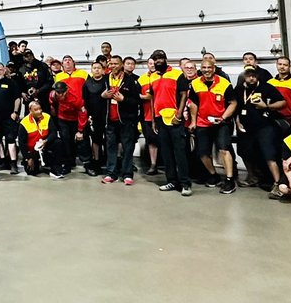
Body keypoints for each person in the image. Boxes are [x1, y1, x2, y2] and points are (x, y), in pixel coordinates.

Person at [233, 66, 287, 195]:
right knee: (244, 151)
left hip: (265, 126)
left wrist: (267, 106)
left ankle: (277, 183)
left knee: (269, 155)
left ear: (257, 76)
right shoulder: (239, 89)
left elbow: (282, 102)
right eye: (249, 76)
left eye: (254, 76)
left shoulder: (266, 87)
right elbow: (235, 108)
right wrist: (237, 123)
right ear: (244, 76)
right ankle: (253, 177)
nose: (251, 78)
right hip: (246, 127)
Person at [186, 59, 237, 193]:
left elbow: (233, 103)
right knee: (202, 153)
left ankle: (230, 180)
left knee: (224, 149)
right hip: (203, 123)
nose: (206, 70)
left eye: (209, 67)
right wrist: (193, 121)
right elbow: (193, 103)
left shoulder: (224, 83)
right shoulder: (195, 83)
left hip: (222, 123)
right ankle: (213, 175)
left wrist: (223, 117)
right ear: (200, 69)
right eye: (204, 67)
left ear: (214, 69)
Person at [149, 50, 191, 195]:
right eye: (155, 59)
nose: (158, 61)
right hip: (160, 119)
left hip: (174, 119)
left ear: (165, 59)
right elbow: (152, 98)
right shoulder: (152, 77)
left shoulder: (177, 74)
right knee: (166, 152)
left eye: (160, 58)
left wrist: (179, 115)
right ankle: (172, 181)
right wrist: (153, 120)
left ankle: (185, 184)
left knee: (179, 152)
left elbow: (184, 95)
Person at [101, 56, 141, 185]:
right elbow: (97, 97)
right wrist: (102, 95)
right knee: (111, 147)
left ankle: (127, 174)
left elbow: (137, 101)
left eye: (116, 64)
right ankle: (111, 173)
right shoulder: (105, 79)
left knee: (127, 148)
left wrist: (123, 100)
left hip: (126, 120)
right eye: (111, 63)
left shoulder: (131, 80)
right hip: (110, 120)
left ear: (121, 65)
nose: (113, 66)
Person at [49, 56, 87, 178]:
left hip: (76, 118)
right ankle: (67, 164)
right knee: (65, 141)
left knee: (81, 140)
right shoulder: (53, 94)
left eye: (62, 93)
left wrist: (80, 130)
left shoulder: (76, 99)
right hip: (62, 118)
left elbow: (83, 113)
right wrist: (53, 108)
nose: (60, 95)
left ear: (66, 91)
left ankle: (87, 163)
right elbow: (51, 101)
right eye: (58, 92)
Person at [81, 61, 109, 177]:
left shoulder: (107, 82)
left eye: (99, 68)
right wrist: (88, 116)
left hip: (107, 115)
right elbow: (84, 102)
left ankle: (109, 163)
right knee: (96, 140)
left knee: (108, 139)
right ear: (91, 70)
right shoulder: (87, 84)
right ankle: (96, 162)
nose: (97, 70)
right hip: (93, 116)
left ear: (103, 70)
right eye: (94, 68)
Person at [19, 100, 50, 176]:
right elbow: (22, 143)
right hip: (32, 150)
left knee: (57, 143)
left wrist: (46, 141)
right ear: (30, 111)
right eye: (36, 110)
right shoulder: (24, 123)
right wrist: (28, 158)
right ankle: (35, 162)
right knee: (31, 172)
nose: (39, 111)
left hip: (45, 146)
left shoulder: (47, 117)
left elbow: (54, 133)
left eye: (40, 109)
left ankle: (55, 166)